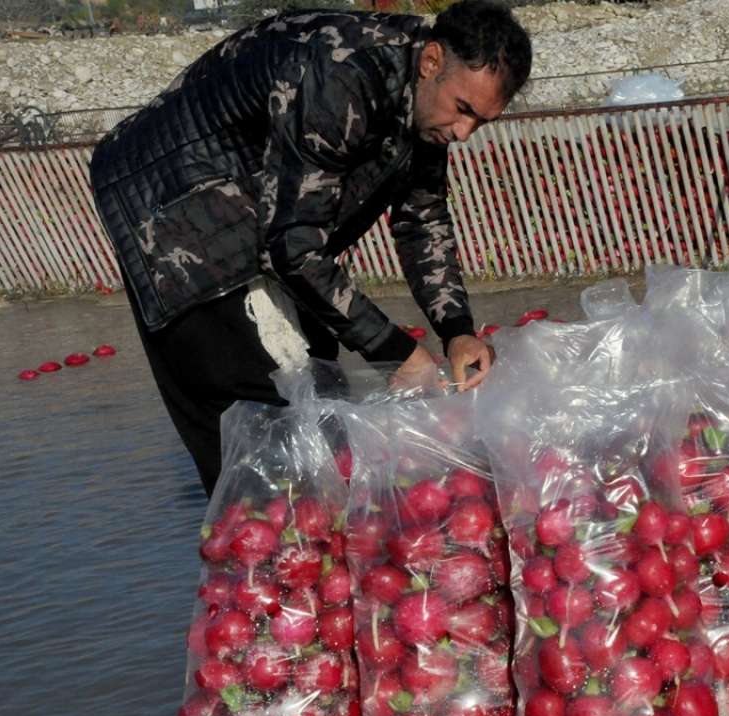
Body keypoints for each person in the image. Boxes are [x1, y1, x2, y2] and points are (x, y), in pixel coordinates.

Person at [89, 1, 532, 497]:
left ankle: (320, 540)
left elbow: (420, 218)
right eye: (464, 110)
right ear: (431, 61)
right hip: (174, 206)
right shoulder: (340, 76)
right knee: (261, 413)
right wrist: (396, 352)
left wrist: (456, 332)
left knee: (323, 393)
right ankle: (260, 549)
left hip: (261, 209)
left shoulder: (427, 101)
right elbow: (292, 249)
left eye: (482, 122)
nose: (464, 133)